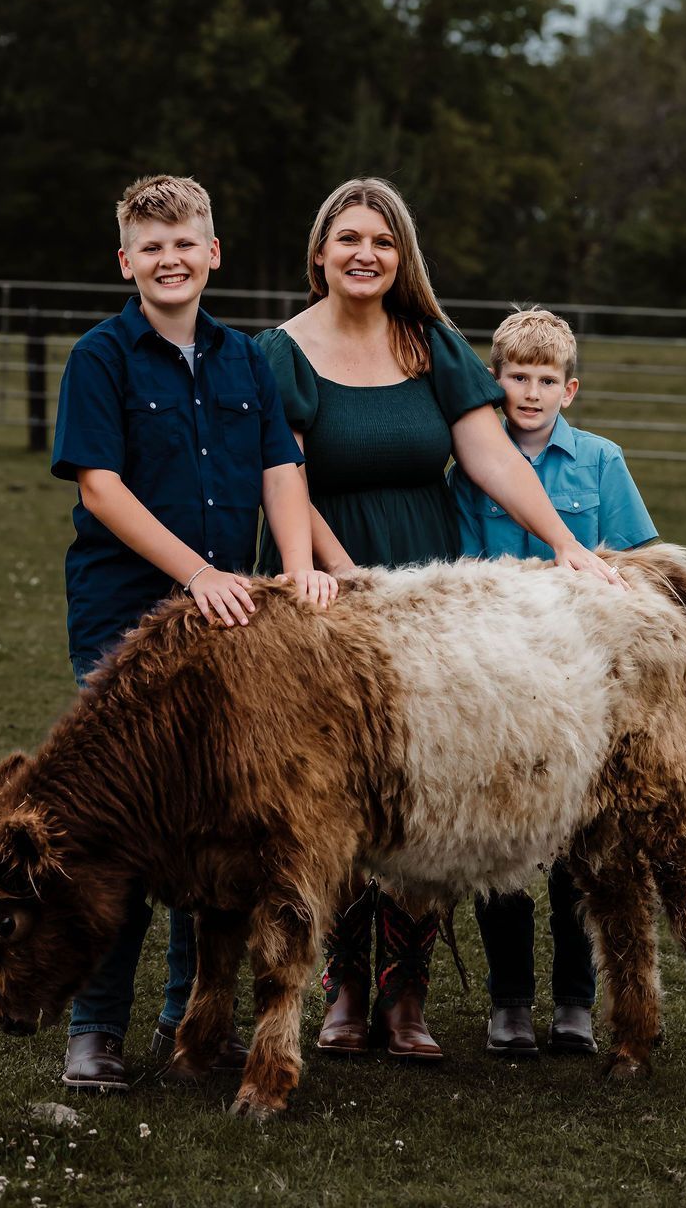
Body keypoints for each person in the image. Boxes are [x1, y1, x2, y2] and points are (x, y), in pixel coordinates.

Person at [256, 179, 624, 1064]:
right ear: (319, 253)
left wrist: (565, 543)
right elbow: (285, 476)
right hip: (326, 581)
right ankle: (340, 988)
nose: (365, 254)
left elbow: (490, 453)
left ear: (401, 257)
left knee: (424, 783)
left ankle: (405, 994)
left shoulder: (432, 345)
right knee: (333, 785)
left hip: (426, 585)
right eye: (348, 238)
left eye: (383, 242)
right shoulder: (280, 352)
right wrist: (345, 578)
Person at [50, 174, 336, 1092]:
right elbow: (100, 486)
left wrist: (293, 567)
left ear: (213, 254)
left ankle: (191, 1020)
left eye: (186, 244)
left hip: (235, 629)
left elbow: (281, 465)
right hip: (130, 619)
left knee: (214, 819)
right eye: (151, 246)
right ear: (126, 260)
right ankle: (95, 1028)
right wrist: (199, 574)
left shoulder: (247, 358)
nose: (169, 260)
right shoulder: (101, 357)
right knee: (126, 823)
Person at [449, 306, 657, 1059]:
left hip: (584, 679)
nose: (530, 393)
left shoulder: (601, 461)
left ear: (570, 389)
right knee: (502, 838)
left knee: (581, 841)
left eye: (545, 380)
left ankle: (574, 1000)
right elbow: (460, 575)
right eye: (516, 377)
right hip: (503, 680)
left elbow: (637, 564)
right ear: (495, 382)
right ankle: (509, 1001)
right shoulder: (470, 469)